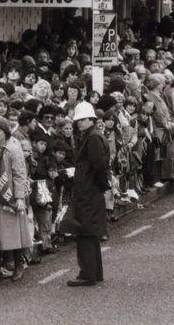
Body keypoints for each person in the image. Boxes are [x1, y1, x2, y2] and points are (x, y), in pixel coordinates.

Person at [63, 101, 109, 286]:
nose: (79, 123)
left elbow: (99, 166)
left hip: (88, 190)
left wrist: (96, 186)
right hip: (90, 189)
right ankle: (94, 272)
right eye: (78, 120)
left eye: (82, 120)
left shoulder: (92, 138)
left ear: (91, 119)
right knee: (90, 232)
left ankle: (87, 273)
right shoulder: (94, 136)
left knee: (85, 231)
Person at [0, 116, 33, 282]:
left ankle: (19, 263)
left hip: (8, 196)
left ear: (6, 132)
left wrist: (19, 198)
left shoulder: (13, 147)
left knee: (12, 230)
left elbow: (20, 174)